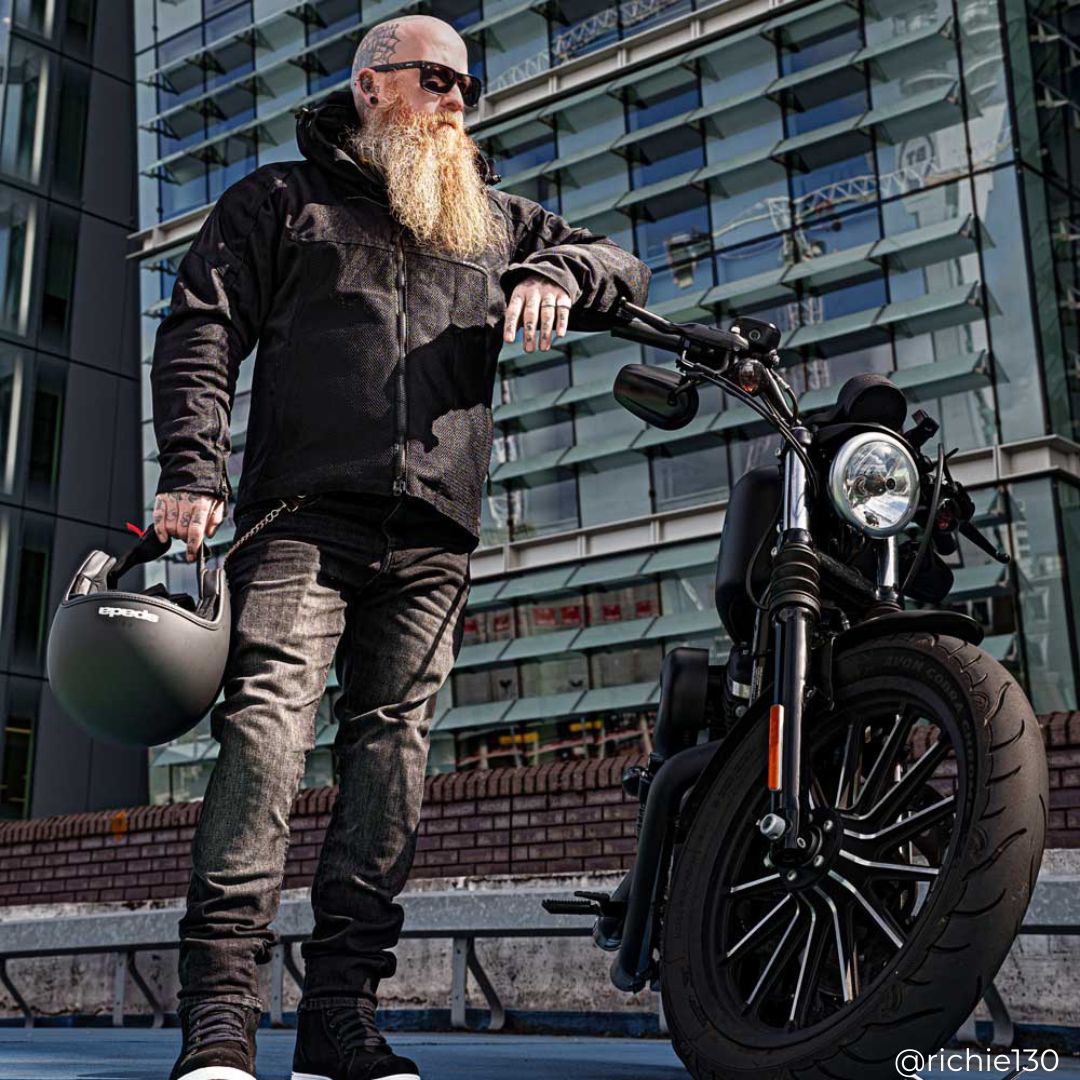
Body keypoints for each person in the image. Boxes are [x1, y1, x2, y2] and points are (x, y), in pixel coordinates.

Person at [152, 14, 650, 1080]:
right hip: (301, 523)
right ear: (374, 85)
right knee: (267, 738)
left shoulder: (488, 221)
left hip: (433, 536)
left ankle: (341, 1016)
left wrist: (560, 271)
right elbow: (200, 326)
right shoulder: (281, 203)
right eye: (439, 80)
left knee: (392, 761)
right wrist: (195, 470)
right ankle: (222, 1013)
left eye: (469, 85)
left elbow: (624, 262)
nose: (461, 102)